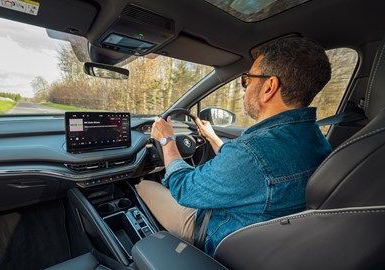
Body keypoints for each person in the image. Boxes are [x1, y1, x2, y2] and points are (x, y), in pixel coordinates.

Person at [136, 37, 333, 256]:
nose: (244, 89)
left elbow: (183, 189)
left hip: (214, 231)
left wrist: (167, 140)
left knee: (144, 185)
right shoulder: (317, 140)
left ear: (270, 86)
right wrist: (213, 139)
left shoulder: (251, 152)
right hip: (268, 243)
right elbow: (251, 171)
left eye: (247, 80)